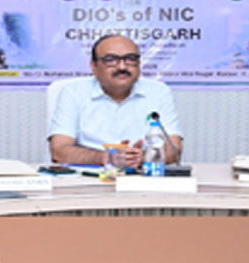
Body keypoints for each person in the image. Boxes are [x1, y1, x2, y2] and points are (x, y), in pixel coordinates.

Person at [48, 34, 182, 168]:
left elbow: (174, 150)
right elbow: (59, 151)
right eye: (110, 60)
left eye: (131, 59)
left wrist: (144, 157)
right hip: (89, 174)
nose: (122, 67)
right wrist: (107, 157)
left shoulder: (159, 92)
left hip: (142, 173)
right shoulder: (73, 92)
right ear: (94, 66)